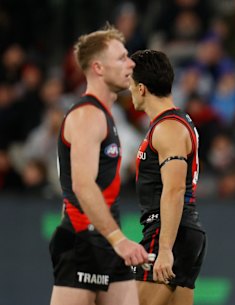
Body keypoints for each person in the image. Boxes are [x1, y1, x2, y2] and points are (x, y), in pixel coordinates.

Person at [49, 25, 149, 305]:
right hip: (85, 240)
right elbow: (82, 185)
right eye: (121, 58)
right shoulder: (88, 116)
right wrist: (118, 239)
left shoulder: (105, 115)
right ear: (98, 68)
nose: (131, 63)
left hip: (103, 238)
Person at [129, 49, 207, 305]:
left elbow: (173, 190)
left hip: (169, 233)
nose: (128, 91)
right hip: (182, 233)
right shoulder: (175, 122)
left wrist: (164, 249)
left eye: (130, 84)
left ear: (141, 88)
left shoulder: (168, 128)